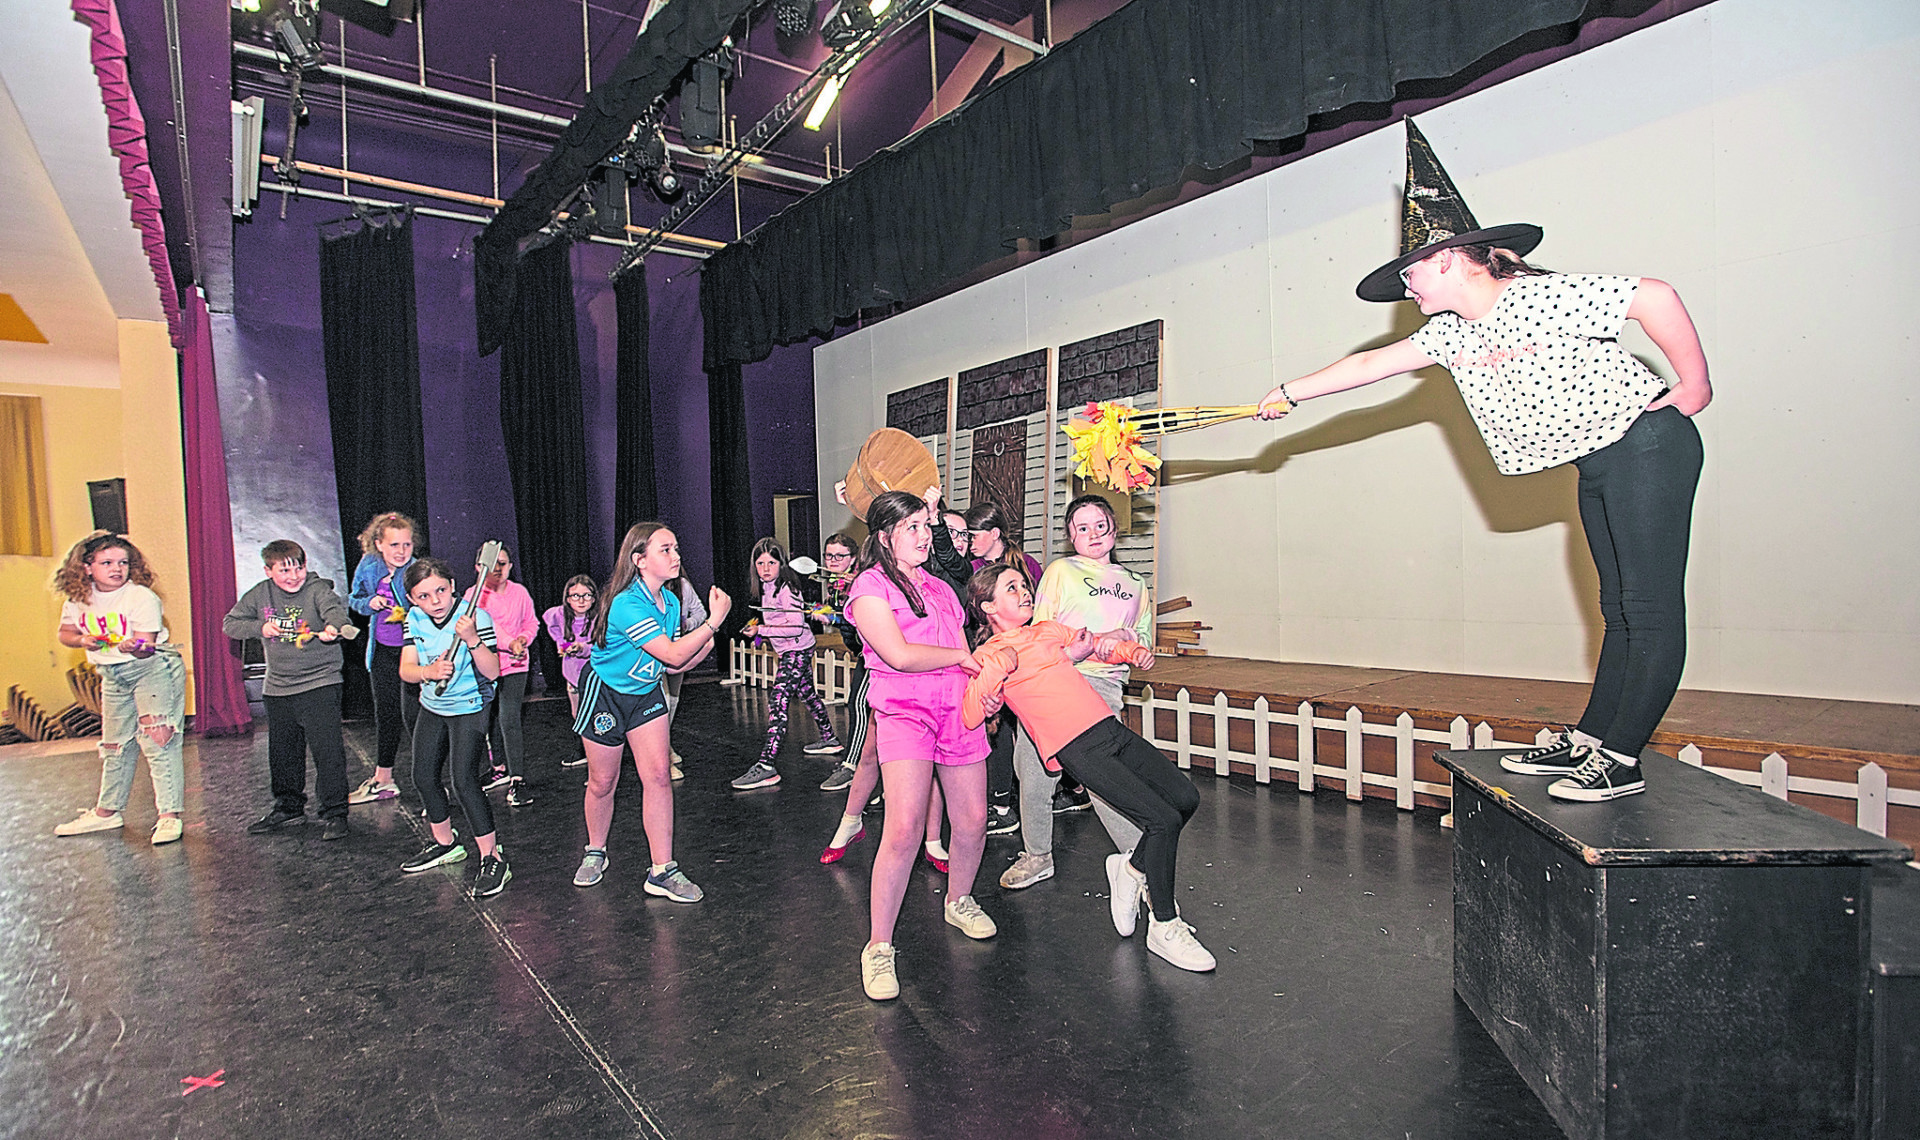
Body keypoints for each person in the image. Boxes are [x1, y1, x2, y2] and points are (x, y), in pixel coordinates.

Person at [1256, 119, 1709, 803]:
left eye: (1409, 273)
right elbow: (1374, 363)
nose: (1406, 286)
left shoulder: (1534, 296)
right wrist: (1291, 392)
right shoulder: (1450, 334)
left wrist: (1694, 383)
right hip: (1600, 463)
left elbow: (1655, 297)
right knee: (1617, 607)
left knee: (1648, 606)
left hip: (1647, 445)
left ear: (1445, 258)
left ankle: (1622, 758)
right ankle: (1592, 739)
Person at [962, 565, 1215, 971]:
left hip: (1107, 728)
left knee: (1186, 798)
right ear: (988, 605)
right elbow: (971, 712)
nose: (1025, 592)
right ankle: (1164, 927)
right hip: (1075, 746)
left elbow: (1097, 645)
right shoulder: (985, 655)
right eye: (1013, 588)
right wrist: (996, 668)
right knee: (1161, 820)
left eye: (1024, 585)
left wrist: (1129, 652)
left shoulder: (1045, 631)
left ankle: (1130, 868)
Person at [845, 490, 993, 1002]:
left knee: (973, 820)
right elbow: (899, 654)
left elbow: (967, 659)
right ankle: (879, 946)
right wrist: (961, 655)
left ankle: (960, 899)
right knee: (905, 828)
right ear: (884, 537)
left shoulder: (941, 589)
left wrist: (983, 690)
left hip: (958, 710)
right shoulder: (869, 587)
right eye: (912, 526)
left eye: (927, 525)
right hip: (905, 713)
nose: (925, 534)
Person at [1000, 494, 1156, 889]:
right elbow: (1040, 632)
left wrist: (1124, 637)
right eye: (1081, 528)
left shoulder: (1135, 583)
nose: (1092, 534)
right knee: (1032, 768)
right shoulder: (1061, 571)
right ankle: (1037, 855)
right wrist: (1071, 652)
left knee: (1103, 776)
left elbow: (1143, 640)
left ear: (1113, 529)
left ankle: (1142, 867)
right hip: (1057, 679)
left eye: (1099, 525)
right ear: (1070, 536)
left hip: (1103, 684)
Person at [571, 522, 731, 898]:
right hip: (606, 693)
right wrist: (714, 621)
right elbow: (673, 653)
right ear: (639, 560)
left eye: (676, 549)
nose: (676, 557)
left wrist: (702, 648)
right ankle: (595, 850)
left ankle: (662, 870)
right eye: (665, 550)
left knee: (659, 775)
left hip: (645, 693)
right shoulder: (626, 603)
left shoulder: (671, 603)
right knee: (602, 782)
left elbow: (672, 665)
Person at [50, 532, 187, 845]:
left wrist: (134, 646)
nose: (117, 568)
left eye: (123, 562)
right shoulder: (78, 600)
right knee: (114, 744)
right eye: (107, 562)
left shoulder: (141, 598)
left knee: (158, 738)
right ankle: (107, 812)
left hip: (150, 669)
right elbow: (66, 633)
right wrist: (83, 639)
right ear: (87, 567)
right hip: (111, 674)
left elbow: (146, 647)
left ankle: (169, 816)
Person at [223, 539, 356, 840]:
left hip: (320, 683)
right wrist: (261, 628)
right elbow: (230, 623)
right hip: (278, 687)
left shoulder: (318, 590)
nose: (293, 576)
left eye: (299, 568)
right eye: (284, 571)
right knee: (283, 754)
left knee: (328, 752)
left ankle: (335, 813)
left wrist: (334, 627)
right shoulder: (260, 594)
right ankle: (288, 808)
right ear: (268, 571)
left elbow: (336, 613)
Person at [396, 557, 511, 897]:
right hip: (433, 706)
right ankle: (446, 844)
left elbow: (492, 672)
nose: (435, 601)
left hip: (470, 707)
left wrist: (472, 639)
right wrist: (427, 672)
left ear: (452, 585)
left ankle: (492, 857)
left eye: (441, 591)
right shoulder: (415, 619)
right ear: (413, 600)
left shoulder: (475, 617)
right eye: (424, 596)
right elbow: (406, 668)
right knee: (423, 776)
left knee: (463, 781)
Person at [731, 538, 842, 790]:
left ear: (782, 563)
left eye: (771, 562)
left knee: (778, 701)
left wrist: (762, 628)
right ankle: (830, 738)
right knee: (808, 695)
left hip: (797, 649)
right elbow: (779, 623)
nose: (766, 568)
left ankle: (766, 765)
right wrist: (759, 631)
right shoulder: (766, 588)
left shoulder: (786, 588)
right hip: (792, 649)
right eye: (760, 563)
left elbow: (794, 625)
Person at [345, 512, 419, 805]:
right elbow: (355, 599)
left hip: (413, 652)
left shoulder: (416, 570)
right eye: (394, 545)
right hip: (382, 651)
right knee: (386, 713)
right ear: (378, 544)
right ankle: (384, 779)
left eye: (407, 545)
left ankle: (434, 782)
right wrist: (369, 602)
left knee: (415, 717)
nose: (401, 552)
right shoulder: (369, 565)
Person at [467, 546, 537, 807]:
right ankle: (499, 767)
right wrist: (511, 642)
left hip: (516, 664)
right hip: (486, 664)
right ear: (478, 567)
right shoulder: (472, 596)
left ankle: (517, 779)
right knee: (490, 719)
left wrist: (523, 639)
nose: (498, 569)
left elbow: (532, 622)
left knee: (509, 718)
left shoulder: (520, 592)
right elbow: (487, 626)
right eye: (491, 564)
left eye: (503, 563)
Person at [816, 533, 867, 794]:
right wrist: (828, 615)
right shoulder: (835, 584)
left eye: (840, 556)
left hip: (874, 652)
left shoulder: (860, 582)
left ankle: (852, 765)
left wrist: (835, 619)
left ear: (854, 558)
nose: (833, 560)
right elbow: (843, 617)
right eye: (829, 555)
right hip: (860, 651)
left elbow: (862, 618)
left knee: (857, 704)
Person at [543, 574, 598, 769]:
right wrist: (561, 642)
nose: (581, 600)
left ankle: (595, 759)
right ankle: (585, 750)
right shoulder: (560, 615)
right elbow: (548, 618)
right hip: (572, 675)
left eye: (586, 595)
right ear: (567, 598)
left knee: (593, 715)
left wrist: (581, 648)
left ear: (594, 598)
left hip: (594, 675)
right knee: (577, 714)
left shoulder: (598, 620)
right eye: (575, 596)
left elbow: (601, 648)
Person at [963, 500, 1042, 583]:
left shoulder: (1027, 564)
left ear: (995, 533)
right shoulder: (971, 569)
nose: (969, 542)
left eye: (973, 536)